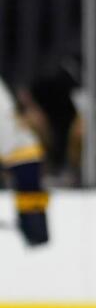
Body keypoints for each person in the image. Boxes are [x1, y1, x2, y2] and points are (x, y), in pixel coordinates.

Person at [0, 74, 48, 246]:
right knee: (29, 199)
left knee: (30, 202)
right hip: (21, 151)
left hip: (22, 153)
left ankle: (35, 233)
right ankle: (34, 231)